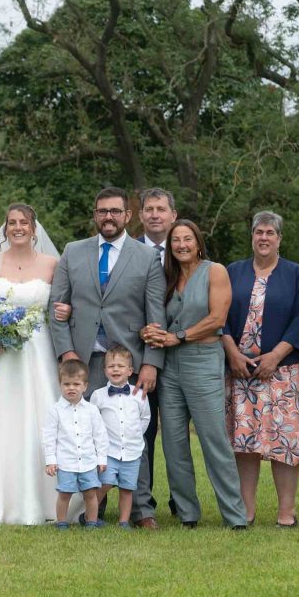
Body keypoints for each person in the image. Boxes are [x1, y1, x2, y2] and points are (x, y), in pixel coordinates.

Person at [49, 186, 165, 530]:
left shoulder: (145, 257)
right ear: (95, 215)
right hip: (84, 363)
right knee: (84, 435)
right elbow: (56, 308)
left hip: (128, 365)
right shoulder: (73, 252)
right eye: (102, 211)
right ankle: (90, 508)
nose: (108, 217)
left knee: (133, 437)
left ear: (128, 215)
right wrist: (67, 352)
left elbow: (155, 315)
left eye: (115, 211)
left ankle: (142, 509)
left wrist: (150, 363)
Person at [142, 219, 248, 529]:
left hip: (202, 359)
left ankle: (235, 516)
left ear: (198, 242)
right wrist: (148, 330)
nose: (181, 245)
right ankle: (187, 514)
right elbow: (153, 316)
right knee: (173, 444)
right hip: (170, 365)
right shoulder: (167, 277)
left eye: (187, 239)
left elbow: (217, 317)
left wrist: (180, 336)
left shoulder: (214, 272)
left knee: (213, 439)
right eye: (176, 241)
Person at [0, 203, 62, 525]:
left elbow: (64, 304)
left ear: (34, 229)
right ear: (5, 228)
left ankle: (48, 501)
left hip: (38, 354)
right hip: (2, 356)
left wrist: (64, 312)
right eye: (12, 223)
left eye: (24, 222)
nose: (18, 227)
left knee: (41, 417)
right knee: (0, 418)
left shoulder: (52, 264)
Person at [223, 211, 299, 527]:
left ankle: (286, 512)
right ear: (252, 236)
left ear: (279, 238)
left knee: (283, 444)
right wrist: (232, 352)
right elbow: (218, 314)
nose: (263, 237)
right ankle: (246, 510)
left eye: (270, 233)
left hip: (282, 372)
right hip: (242, 372)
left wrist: (276, 355)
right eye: (258, 232)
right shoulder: (234, 272)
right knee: (245, 443)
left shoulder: (295, 274)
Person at [136, 187, 178, 515]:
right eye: (148, 209)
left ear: (172, 215)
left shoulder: (185, 249)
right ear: (139, 216)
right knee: (143, 431)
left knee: (177, 434)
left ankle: (182, 500)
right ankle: (142, 501)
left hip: (182, 353)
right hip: (142, 354)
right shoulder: (129, 253)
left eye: (161, 209)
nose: (154, 214)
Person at [90, 345, 151, 529]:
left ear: (130, 370)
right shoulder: (98, 396)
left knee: (127, 488)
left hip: (132, 451)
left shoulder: (139, 395)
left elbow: (145, 417)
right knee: (105, 484)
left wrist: (135, 435)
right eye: (111, 366)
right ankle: (89, 516)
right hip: (109, 451)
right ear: (104, 370)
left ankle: (123, 521)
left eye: (120, 366)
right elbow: (93, 421)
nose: (116, 369)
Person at [43, 359, 108, 530]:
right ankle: (62, 522)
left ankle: (91, 522)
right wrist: (51, 460)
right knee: (64, 494)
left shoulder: (92, 410)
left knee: (90, 494)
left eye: (76, 384)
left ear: (85, 386)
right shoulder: (55, 410)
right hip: (66, 462)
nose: (71, 388)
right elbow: (49, 437)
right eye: (67, 384)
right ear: (60, 385)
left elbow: (100, 436)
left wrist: (102, 459)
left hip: (88, 462)